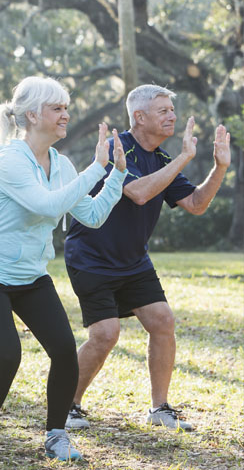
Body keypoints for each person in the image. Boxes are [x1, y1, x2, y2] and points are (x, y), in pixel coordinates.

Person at [0, 76, 128, 462]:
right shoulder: (9, 161)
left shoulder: (61, 163)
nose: (66, 114)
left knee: (65, 350)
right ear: (33, 115)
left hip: (30, 274)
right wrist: (96, 168)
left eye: (66, 107)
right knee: (7, 355)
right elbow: (48, 206)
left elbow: (92, 215)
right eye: (57, 108)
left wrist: (115, 174)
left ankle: (56, 435)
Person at [64, 84, 231, 432]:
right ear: (139, 117)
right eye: (163, 110)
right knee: (106, 335)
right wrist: (185, 157)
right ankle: (68, 405)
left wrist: (219, 167)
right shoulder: (115, 148)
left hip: (133, 260)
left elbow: (197, 205)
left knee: (162, 320)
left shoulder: (162, 161)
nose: (172, 115)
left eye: (172, 109)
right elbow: (138, 193)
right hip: (90, 257)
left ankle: (160, 409)